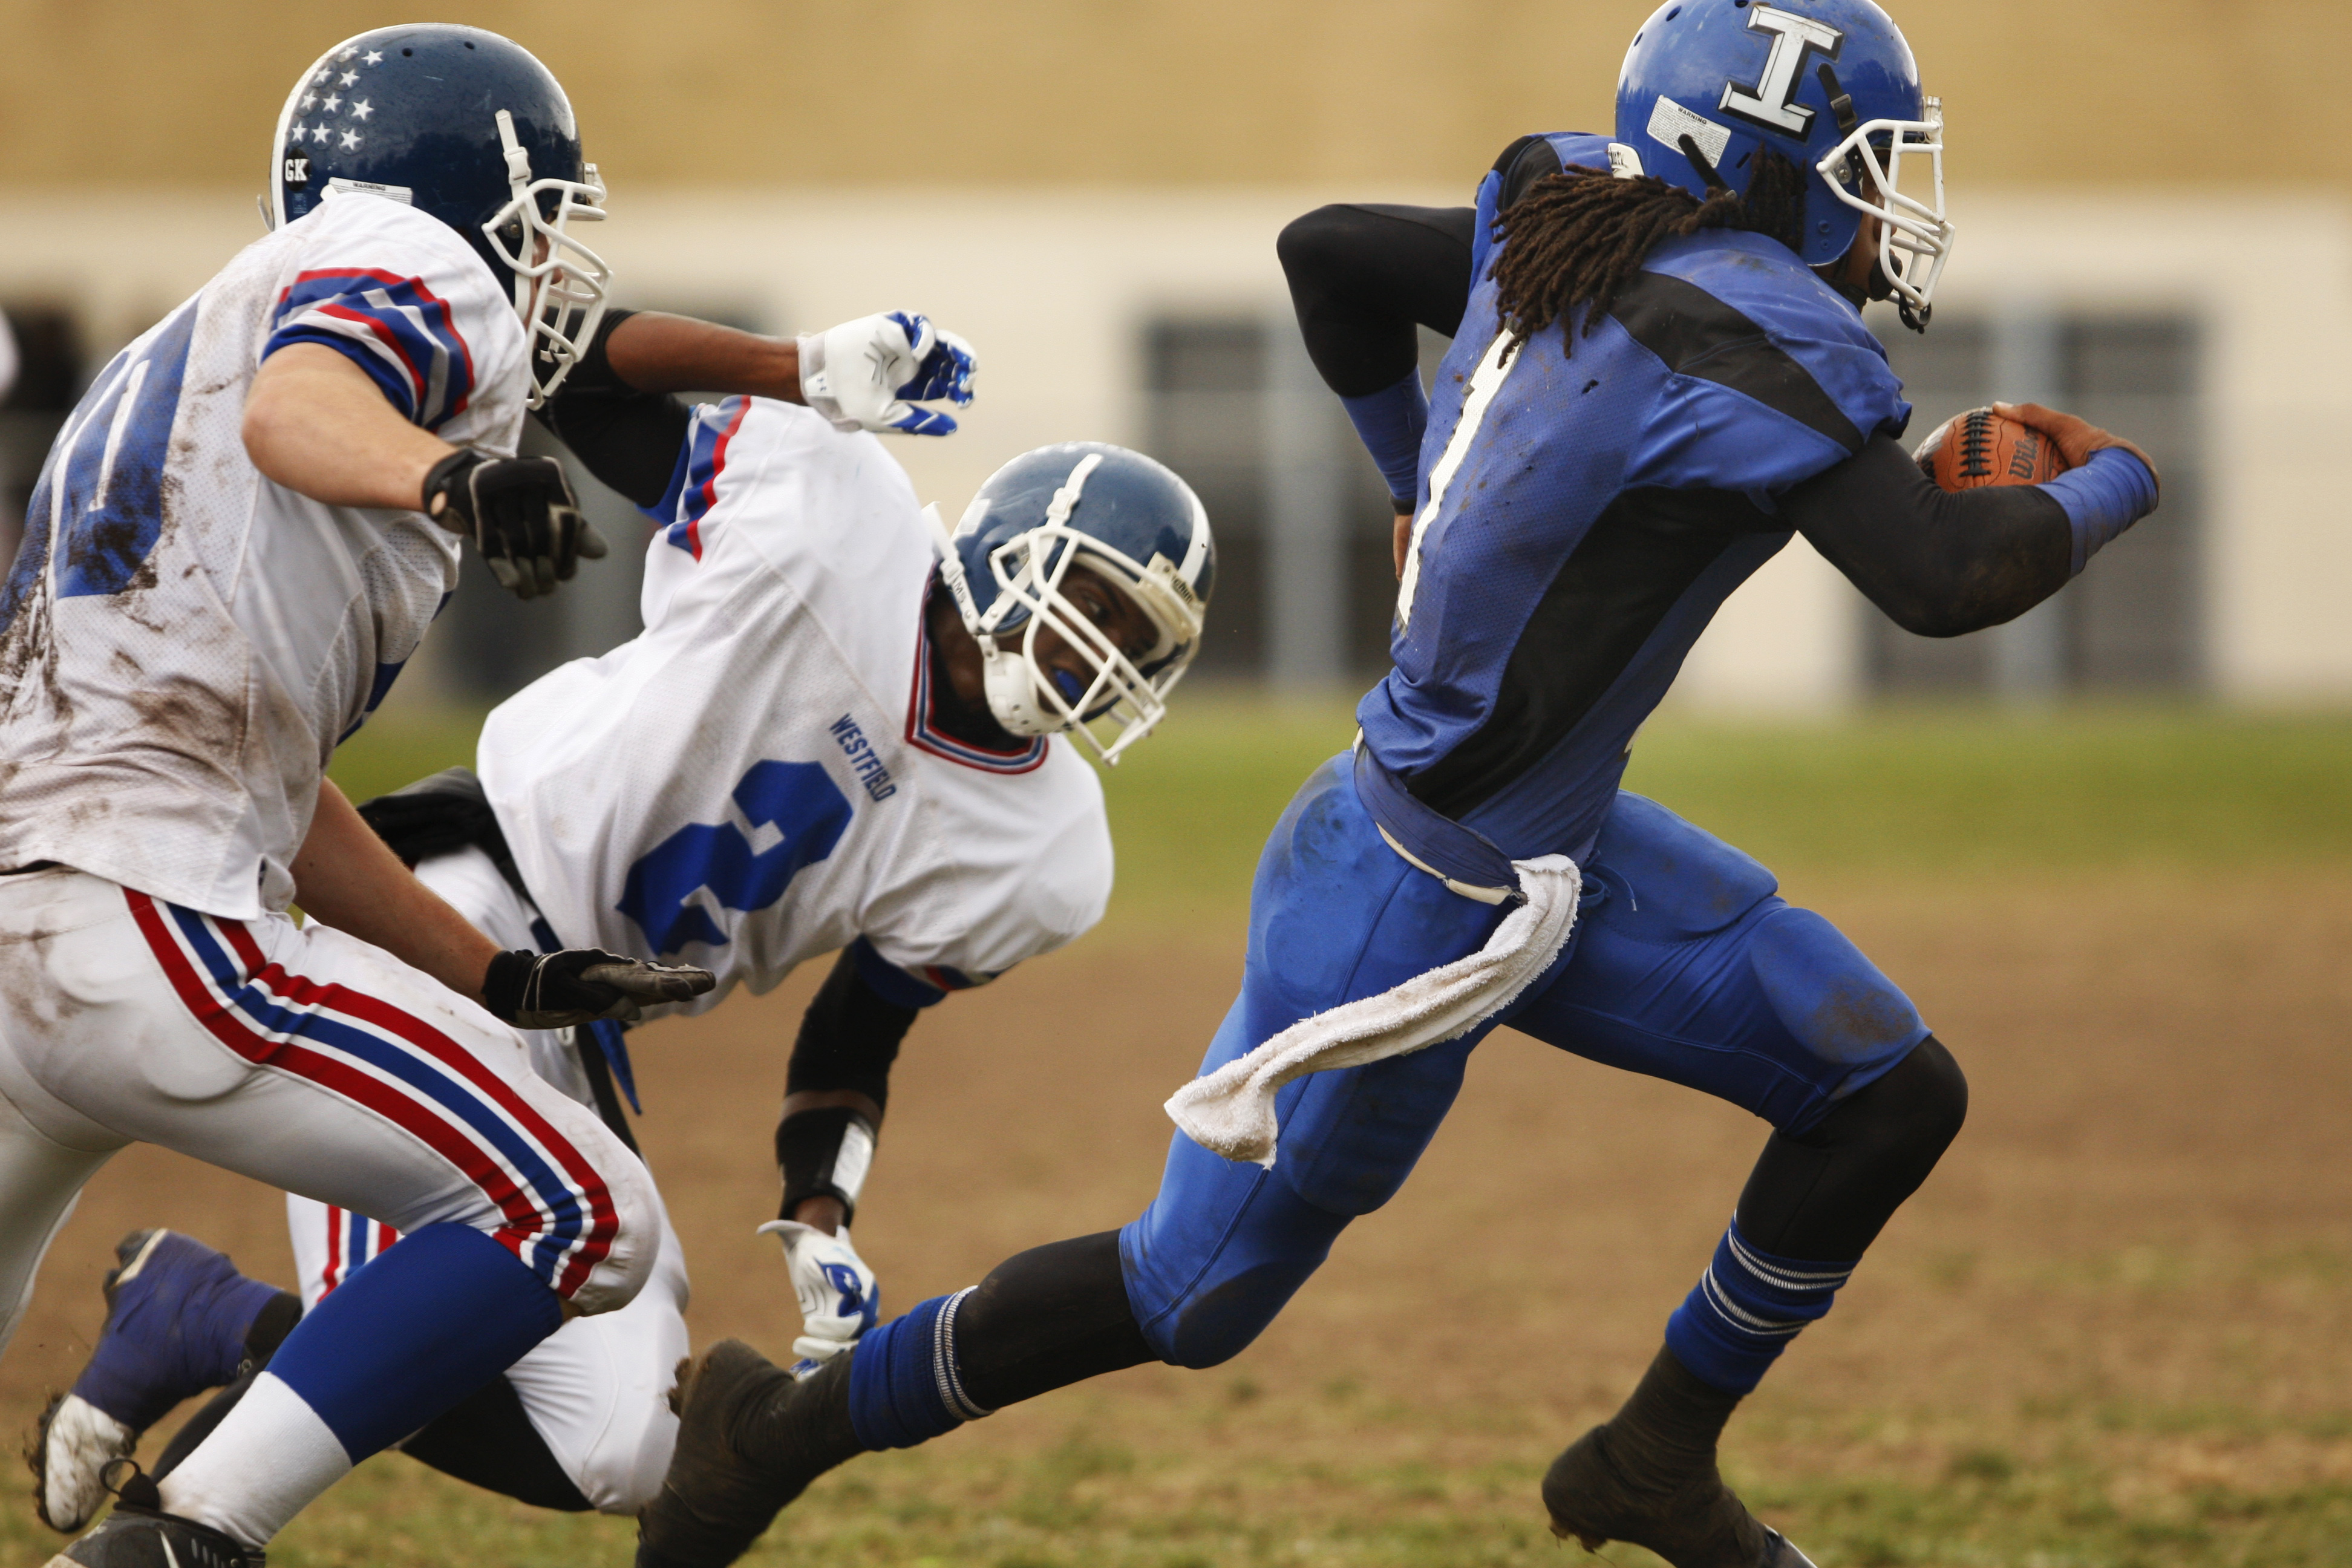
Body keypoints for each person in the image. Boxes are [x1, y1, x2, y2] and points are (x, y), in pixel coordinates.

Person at [627, 4, 2165, 1568]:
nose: (1893, 200)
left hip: (1539, 847)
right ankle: (773, 1434)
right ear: (1770, 169)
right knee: (1188, 1298)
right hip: (1411, 901)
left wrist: (1406, 472)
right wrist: (2125, 475)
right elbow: (1945, 582)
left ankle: (1652, 1460)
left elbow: (1332, 253)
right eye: (1866, 162)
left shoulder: (1570, 215)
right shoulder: (1753, 328)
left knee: (1888, 1093)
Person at [28, 297, 1217, 1528]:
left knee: (626, 1451)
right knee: (405, 1316)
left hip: (585, 1019)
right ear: (1013, 545)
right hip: (454, 901)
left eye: (1138, 639)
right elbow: (582, 378)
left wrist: (823, 1216)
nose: (1098, 651)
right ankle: (182, 1529)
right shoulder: (832, 509)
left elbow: (859, 1034)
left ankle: (203, 1311)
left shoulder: (1050, 851)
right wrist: (795, 367)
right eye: (1095, 600)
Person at [0, 24, 759, 1567]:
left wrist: (495, 969)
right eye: (544, 218)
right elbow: (305, 404)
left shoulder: (166, 353)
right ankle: (196, 1532)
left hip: (31, 919)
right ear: (467, 188)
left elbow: (266, 772)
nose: (549, 268)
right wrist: (446, 476)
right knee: (579, 1209)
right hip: (149, 917)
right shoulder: (415, 261)